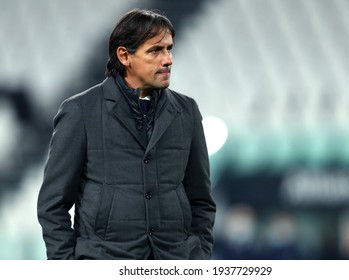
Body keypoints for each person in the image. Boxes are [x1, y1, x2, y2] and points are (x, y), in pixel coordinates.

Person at [37, 8, 216, 260]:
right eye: (155, 50)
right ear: (124, 56)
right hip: (103, 262)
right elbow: (52, 204)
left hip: (176, 262)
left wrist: (199, 257)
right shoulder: (80, 110)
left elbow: (202, 200)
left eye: (169, 49)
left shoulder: (187, 111)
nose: (168, 59)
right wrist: (66, 267)